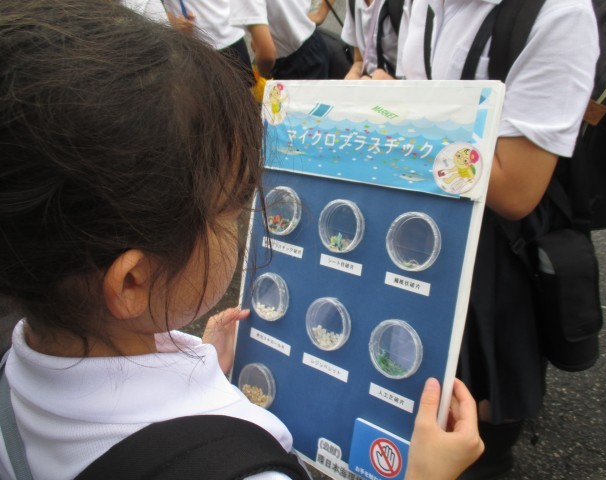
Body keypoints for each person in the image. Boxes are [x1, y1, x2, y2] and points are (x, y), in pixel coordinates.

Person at [0, 1, 483, 479]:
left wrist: (195, 359)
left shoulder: (14, 376)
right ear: (131, 283)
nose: (244, 222)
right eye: (231, 210)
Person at [393, 0, 599, 478]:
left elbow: (515, 190)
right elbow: (415, 91)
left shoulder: (559, 14)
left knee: (479, 416)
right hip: (423, 223)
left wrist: (391, 118)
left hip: (497, 249)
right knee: (409, 371)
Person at [229, 0, 330, 80]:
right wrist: (321, 13)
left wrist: (264, 75)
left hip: (293, 68)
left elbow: (267, 55)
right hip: (314, 45)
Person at [162, 0, 254, 86]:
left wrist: (255, 28)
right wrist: (171, 22)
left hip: (232, 35)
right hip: (196, 46)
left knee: (246, 91)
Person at [341, 0, 398, 79]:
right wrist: (354, 73)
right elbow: (360, 59)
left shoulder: (401, 4)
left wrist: (386, 81)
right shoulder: (353, 2)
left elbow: (414, 72)